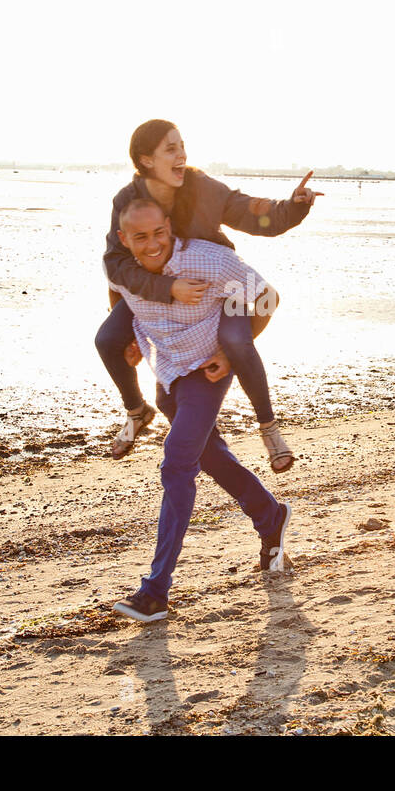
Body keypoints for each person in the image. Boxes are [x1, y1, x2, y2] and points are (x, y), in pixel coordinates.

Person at [97, 119, 319, 472]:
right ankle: (137, 410)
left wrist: (294, 206)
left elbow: (251, 211)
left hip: (214, 284)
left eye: (182, 146)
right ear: (146, 160)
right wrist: (141, 320)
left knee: (234, 338)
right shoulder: (128, 200)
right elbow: (116, 263)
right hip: (159, 288)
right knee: (108, 338)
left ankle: (269, 430)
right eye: (170, 149)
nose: (182, 154)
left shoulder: (200, 186)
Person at [109, 198, 293, 623]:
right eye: (140, 237)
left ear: (170, 226)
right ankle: (270, 515)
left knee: (176, 465)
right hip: (168, 373)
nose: (152, 244)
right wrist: (128, 342)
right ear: (124, 240)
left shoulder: (208, 260)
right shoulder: (121, 267)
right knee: (210, 457)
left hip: (207, 374)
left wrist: (234, 353)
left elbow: (267, 298)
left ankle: (155, 592)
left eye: (159, 233)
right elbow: (118, 297)